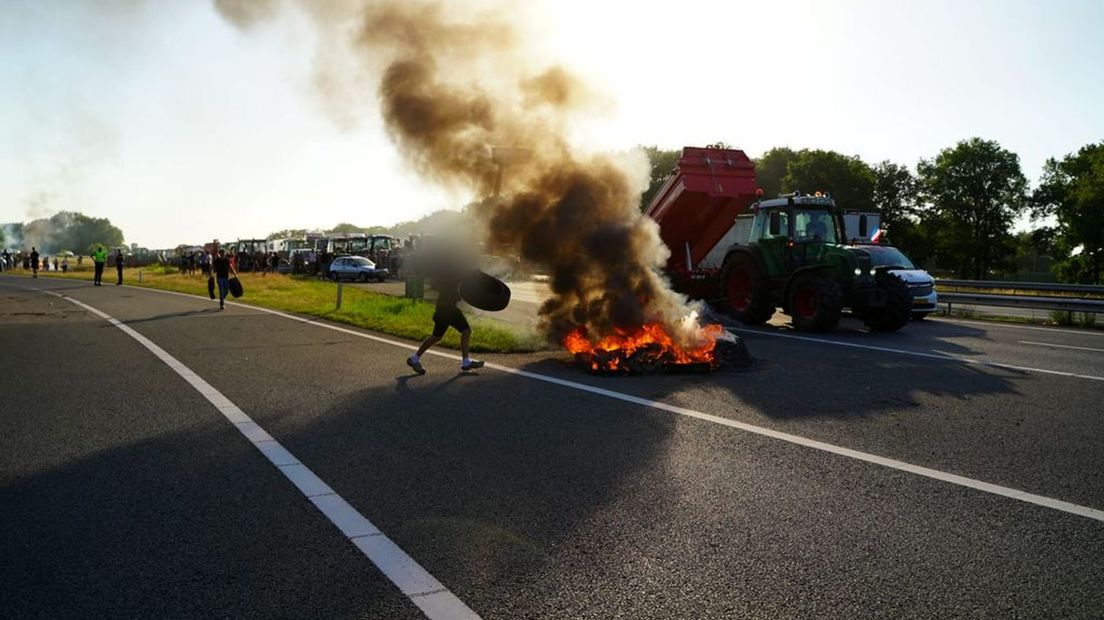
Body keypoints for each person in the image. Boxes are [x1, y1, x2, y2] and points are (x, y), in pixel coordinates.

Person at [406, 263, 483, 375]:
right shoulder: (452, 273)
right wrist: (474, 273)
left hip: (450, 309)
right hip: (445, 310)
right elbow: (464, 276)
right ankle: (414, 358)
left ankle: (465, 361)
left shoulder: (450, 273)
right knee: (437, 336)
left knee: (462, 332)